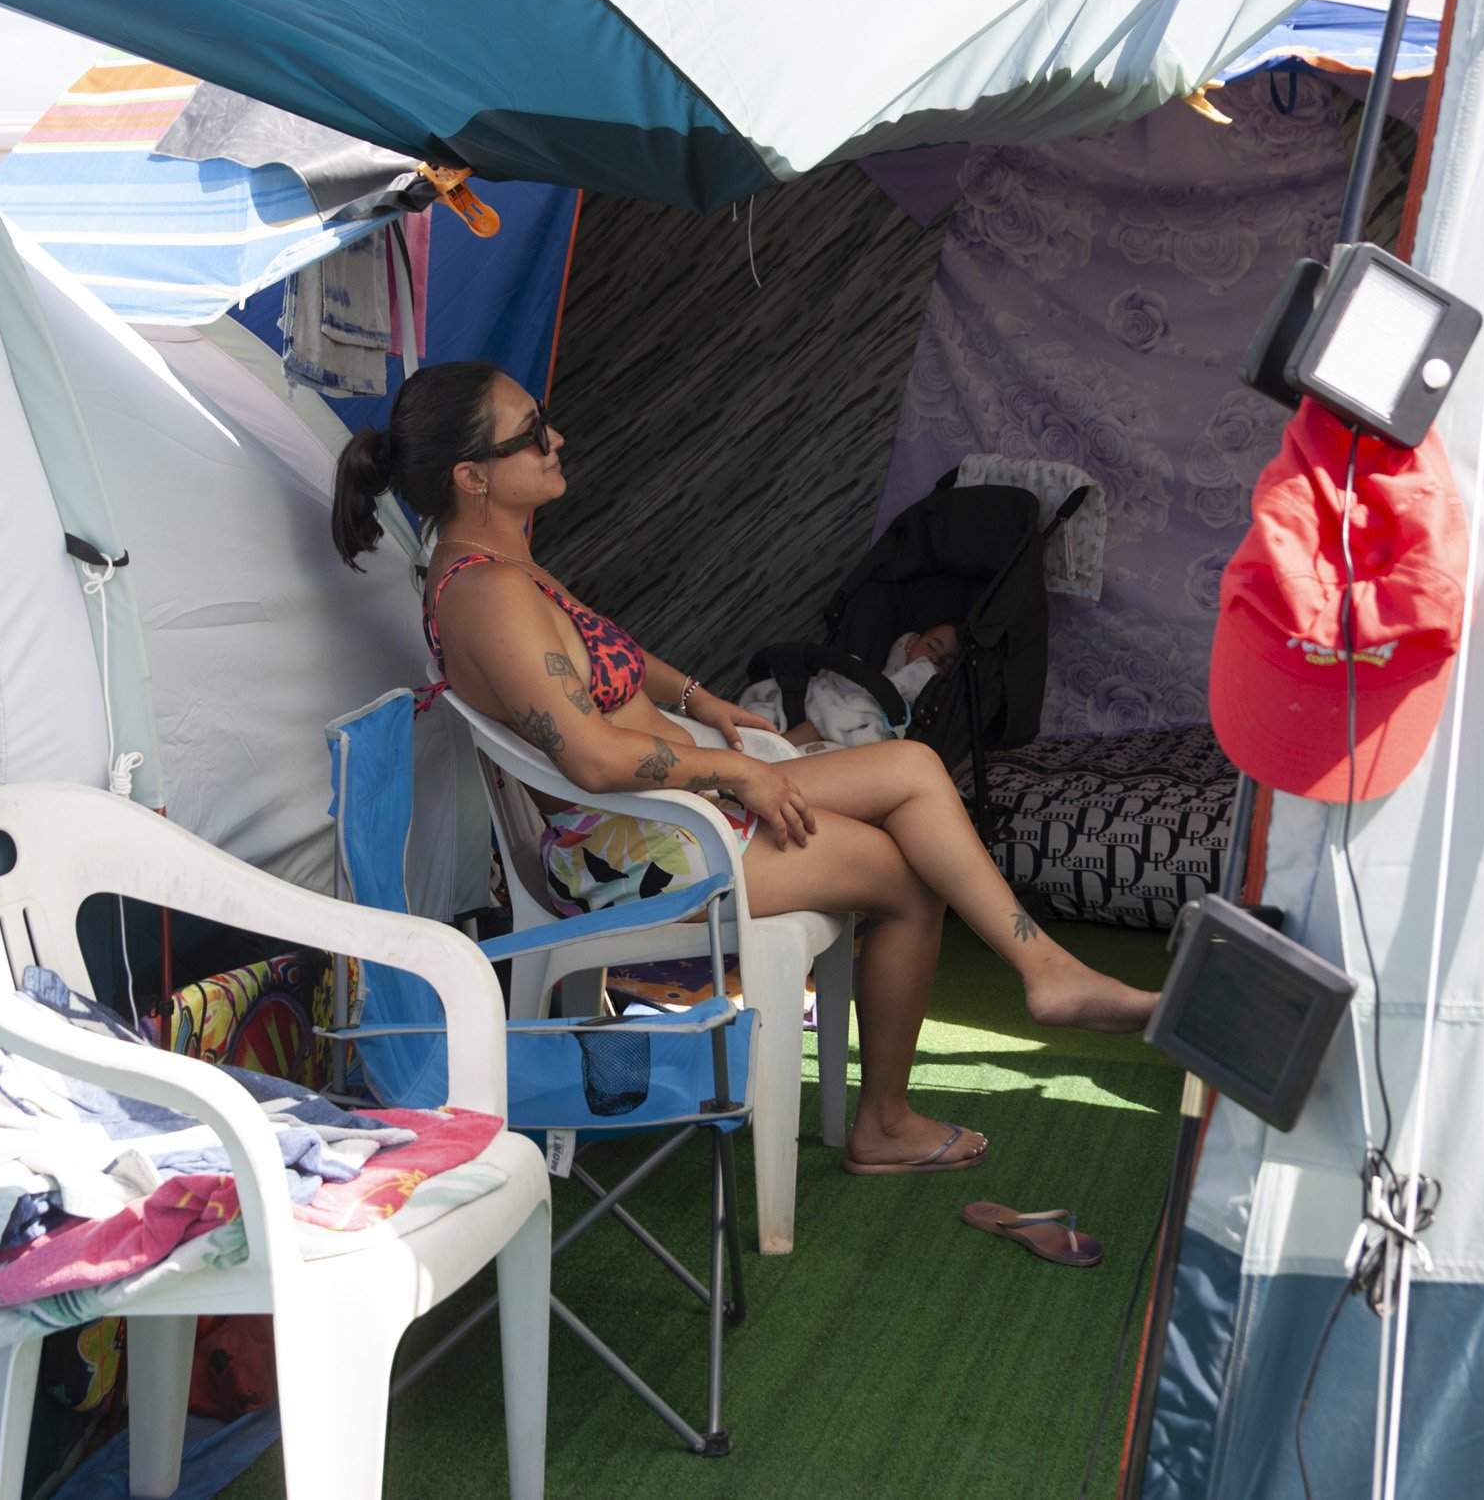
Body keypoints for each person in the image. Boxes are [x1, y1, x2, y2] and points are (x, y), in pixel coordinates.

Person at [330, 361, 1158, 1176]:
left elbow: (599, 644)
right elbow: (588, 751)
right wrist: (733, 770)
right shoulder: (488, 594)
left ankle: (1046, 969)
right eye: (532, 434)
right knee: (910, 879)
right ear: (473, 475)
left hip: (661, 805)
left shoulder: (502, 562)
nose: (557, 439)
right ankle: (886, 1121)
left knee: (909, 766)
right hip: (633, 843)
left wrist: (705, 699)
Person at [738, 621, 962, 751]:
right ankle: (757, 750)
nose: (935, 659)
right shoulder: (851, 669)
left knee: (848, 713)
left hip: (836, 742)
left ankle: (769, 753)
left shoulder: (910, 722)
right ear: (910, 643)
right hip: (805, 705)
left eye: (947, 663)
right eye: (932, 646)